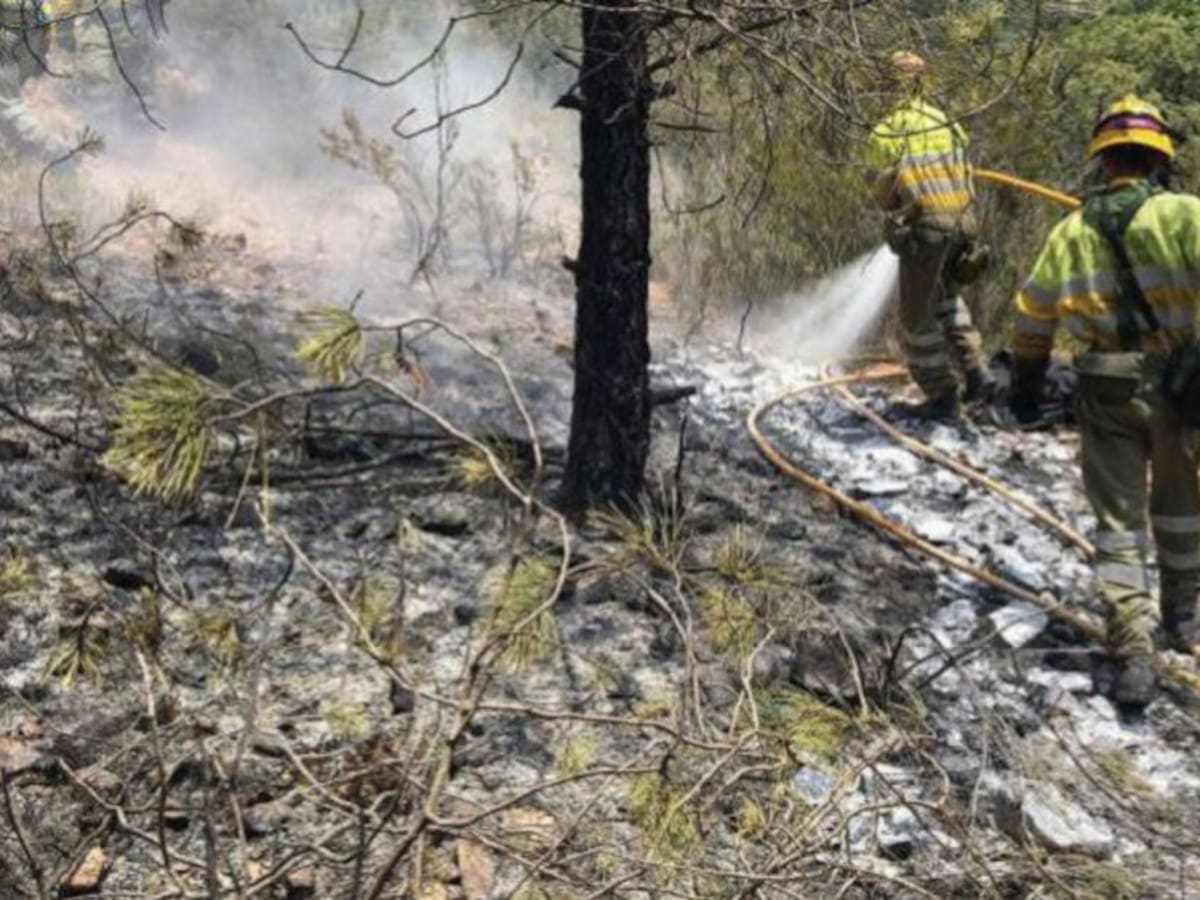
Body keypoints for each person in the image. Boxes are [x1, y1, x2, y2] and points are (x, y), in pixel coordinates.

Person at [1009, 94, 1200, 709]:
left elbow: (1032, 319)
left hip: (1104, 387)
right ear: (1159, 157)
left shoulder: (1071, 231)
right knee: (1181, 504)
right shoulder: (1185, 215)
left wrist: (1025, 391)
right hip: (1182, 389)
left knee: (1119, 524)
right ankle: (1185, 618)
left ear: (1103, 160)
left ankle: (1133, 648)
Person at [865, 50, 993, 420]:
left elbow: (883, 194)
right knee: (948, 301)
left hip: (928, 231)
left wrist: (898, 218)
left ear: (886, 85)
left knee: (917, 320)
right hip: (964, 225)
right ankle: (978, 375)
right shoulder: (945, 122)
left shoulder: (888, 131)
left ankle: (941, 395)